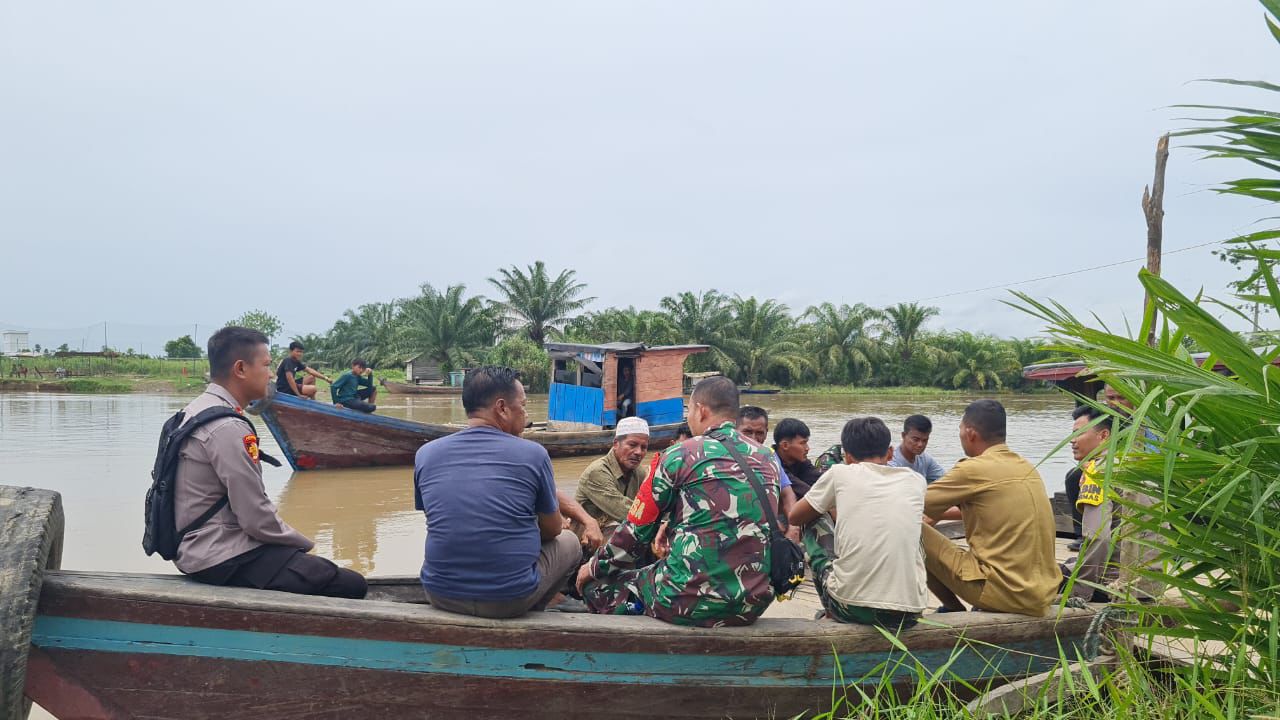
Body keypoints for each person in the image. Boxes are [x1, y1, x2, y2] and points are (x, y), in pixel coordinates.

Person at [175, 326, 367, 598]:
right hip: (219, 555)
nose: (270, 375)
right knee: (350, 584)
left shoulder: (189, 412)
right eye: (266, 365)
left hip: (191, 549)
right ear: (240, 369)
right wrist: (303, 544)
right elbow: (256, 519)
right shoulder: (227, 427)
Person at [577, 376, 778, 627]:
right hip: (754, 602)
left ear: (701, 410)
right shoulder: (768, 459)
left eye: (690, 409)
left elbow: (634, 532)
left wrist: (592, 568)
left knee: (597, 587)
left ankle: (639, 631)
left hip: (687, 600)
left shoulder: (679, 454)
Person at [416, 366, 603, 618]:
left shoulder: (426, 454)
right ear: (502, 408)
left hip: (439, 593)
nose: (526, 416)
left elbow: (442, 515)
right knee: (569, 541)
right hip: (506, 601)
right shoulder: (532, 454)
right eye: (523, 406)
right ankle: (536, 610)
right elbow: (552, 530)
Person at [921, 399, 1059, 616]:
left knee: (911, 529)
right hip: (1043, 592)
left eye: (959, 431)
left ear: (970, 433)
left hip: (1004, 593)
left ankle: (953, 610)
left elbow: (910, 502)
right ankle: (953, 609)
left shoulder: (973, 469)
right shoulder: (1026, 467)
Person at [789, 417, 928, 629]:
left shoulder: (839, 472)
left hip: (851, 608)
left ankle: (829, 608)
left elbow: (795, 517)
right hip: (910, 612)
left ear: (847, 456)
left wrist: (829, 505)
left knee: (814, 517)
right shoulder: (915, 479)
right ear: (890, 453)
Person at [1060, 405, 1117, 602]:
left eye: (1079, 434)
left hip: (1117, 584)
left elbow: (1099, 538)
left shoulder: (1098, 472)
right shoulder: (1131, 462)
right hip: (1150, 578)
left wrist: (1079, 593)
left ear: (1103, 436)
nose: (1072, 441)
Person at [736, 406, 800, 542]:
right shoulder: (723, 456)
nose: (753, 438)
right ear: (735, 431)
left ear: (766, 433)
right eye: (747, 432)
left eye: (759, 433)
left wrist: (794, 528)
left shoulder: (769, 456)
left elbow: (787, 494)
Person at [576, 417, 650, 533]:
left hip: (616, 528)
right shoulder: (597, 472)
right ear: (616, 444)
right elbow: (624, 511)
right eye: (632, 445)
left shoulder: (639, 472)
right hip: (587, 538)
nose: (638, 452)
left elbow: (649, 501)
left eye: (643, 447)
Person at [888, 415, 946, 483]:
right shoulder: (891, 461)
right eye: (915, 440)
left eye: (924, 440)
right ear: (903, 436)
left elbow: (945, 479)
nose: (920, 445)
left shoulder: (925, 459)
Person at [773, 418, 821, 498]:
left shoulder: (801, 462)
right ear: (785, 445)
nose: (807, 448)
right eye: (802, 443)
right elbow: (804, 490)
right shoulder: (771, 464)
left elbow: (820, 478)